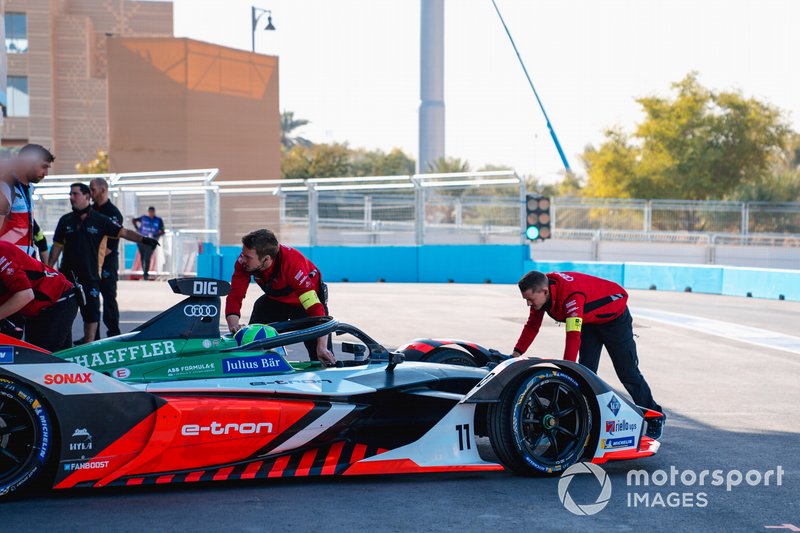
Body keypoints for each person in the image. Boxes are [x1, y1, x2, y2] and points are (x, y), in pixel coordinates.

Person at [512, 270, 665, 439]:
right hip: (589, 321)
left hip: (614, 320)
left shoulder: (571, 295)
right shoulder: (541, 290)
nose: (528, 304)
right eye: (526, 300)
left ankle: (655, 417)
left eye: (530, 300)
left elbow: (573, 336)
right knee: (586, 372)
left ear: (544, 292)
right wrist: (516, 353)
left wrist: (566, 370)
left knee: (628, 372)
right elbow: (532, 325)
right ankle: (587, 422)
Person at [48, 183, 159, 344]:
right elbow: (57, 246)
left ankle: (89, 344)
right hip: (67, 276)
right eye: (70, 194)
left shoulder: (101, 220)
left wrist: (144, 239)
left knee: (91, 313)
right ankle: (64, 345)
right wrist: (49, 268)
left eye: (75, 194)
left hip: (91, 275)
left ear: (87, 197)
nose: (71, 197)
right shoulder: (65, 221)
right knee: (64, 312)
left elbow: (124, 232)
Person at [225, 229, 335, 366]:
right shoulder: (243, 263)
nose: (242, 259)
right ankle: (251, 367)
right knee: (252, 337)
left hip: (305, 304)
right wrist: (233, 324)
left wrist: (322, 346)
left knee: (320, 353)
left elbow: (314, 308)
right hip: (275, 300)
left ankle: (327, 368)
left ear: (266, 259)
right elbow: (235, 294)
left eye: (248, 257)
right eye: (243, 254)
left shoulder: (292, 264)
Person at [0, 188, 77, 352]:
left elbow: (25, 295)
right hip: (39, 304)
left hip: (57, 299)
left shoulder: (1, 253)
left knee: (41, 362)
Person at [0, 144, 55, 256]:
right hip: (9, 263)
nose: (46, 174)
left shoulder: (30, 187)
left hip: (25, 260)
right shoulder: (6, 186)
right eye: (43, 167)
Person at [89, 178, 123, 338]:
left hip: (107, 264)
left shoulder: (113, 213)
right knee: (91, 299)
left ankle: (114, 334)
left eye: (93, 189)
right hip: (91, 264)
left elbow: (110, 246)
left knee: (109, 299)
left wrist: (92, 256)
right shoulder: (90, 210)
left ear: (103, 190)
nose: (90, 193)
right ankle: (92, 336)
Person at [132, 206, 165, 280]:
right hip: (141, 240)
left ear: (154, 212)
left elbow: (162, 231)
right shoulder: (144, 218)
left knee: (147, 257)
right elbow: (133, 220)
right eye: (149, 212)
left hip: (151, 242)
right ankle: (144, 272)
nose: (151, 213)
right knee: (143, 257)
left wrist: (155, 235)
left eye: (152, 212)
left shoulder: (158, 220)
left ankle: (145, 274)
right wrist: (137, 229)